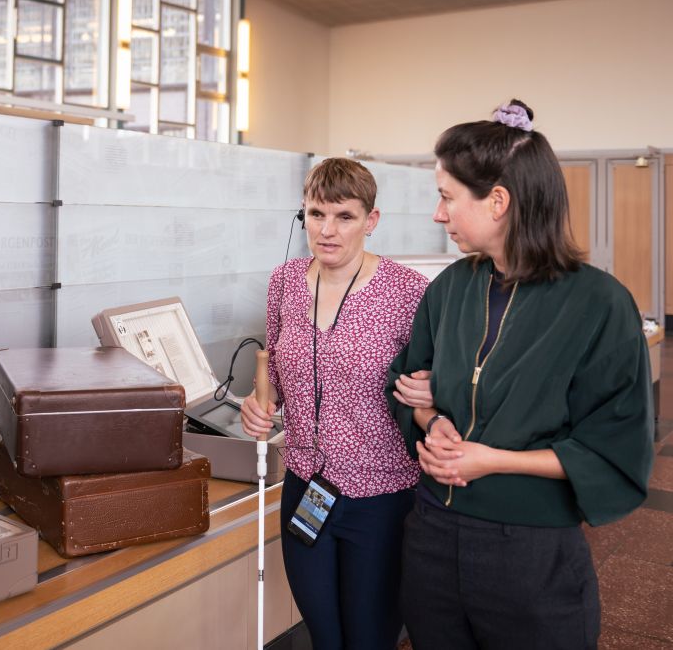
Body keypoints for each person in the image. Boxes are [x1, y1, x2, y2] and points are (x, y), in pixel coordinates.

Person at [387, 100, 655, 650]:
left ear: (499, 202)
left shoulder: (599, 304)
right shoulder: (449, 289)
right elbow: (409, 384)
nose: (439, 215)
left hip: (530, 550)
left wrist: (490, 460)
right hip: (433, 535)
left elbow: (615, 443)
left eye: (446, 197)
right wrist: (431, 418)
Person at [241, 157, 429, 649]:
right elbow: (278, 372)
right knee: (325, 637)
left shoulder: (407, 291)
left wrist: (432, 394)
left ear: (371, 220)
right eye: (315, 214)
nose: (327, 230)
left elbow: (433, 388)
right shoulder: (284, 281)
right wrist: (258, 404)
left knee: (369, 638)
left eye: (344, 216)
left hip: (382, 496)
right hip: (305, 487)